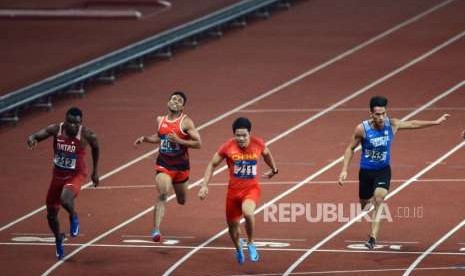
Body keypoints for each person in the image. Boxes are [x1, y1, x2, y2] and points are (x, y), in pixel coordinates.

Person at [338, 96, 450, 249]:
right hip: (366, 172)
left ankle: (372, 238)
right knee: (364, 206)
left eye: (383, 113)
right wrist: (344, 170)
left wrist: (435, 122)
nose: (381, 117)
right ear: (371, 113)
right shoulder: (362, 129)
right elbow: (350, 148)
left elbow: (412, 124)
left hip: (383, 171)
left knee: (379, 199)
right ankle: (370, 202)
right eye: (377, 114)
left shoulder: (392, 124)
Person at [198, 117, 278, 264]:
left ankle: (251, 243)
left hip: (251, 189)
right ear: (234, 134)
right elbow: (212, 164)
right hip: (233, 193)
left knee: (248, 213)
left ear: (250, 134)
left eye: (244, 135)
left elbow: (267, 154)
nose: (241, 138)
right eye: (238, 135)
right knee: (233, 228)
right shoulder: (228, 146)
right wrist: (204, 185)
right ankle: (238, 248)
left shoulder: (258, 143)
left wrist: (274, 169)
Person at [26, 107, 99, 259]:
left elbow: (96, 148)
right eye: (70, 122)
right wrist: (32, 139)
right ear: (65, 120)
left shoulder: (87, 135)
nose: (73, 126)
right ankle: (58, 238)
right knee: (51, 215)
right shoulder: (55, 129)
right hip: (58, 176)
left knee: (65, 200)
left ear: (81, 123)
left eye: (76, 123)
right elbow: (37, 136)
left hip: (76, 174)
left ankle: (73, 216)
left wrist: (95, 171)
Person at [134, 91, 201, 242]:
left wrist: (179, 140)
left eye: (179, 100)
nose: (175, 101)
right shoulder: (160, 119)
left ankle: (177, 192)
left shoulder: (186, 122)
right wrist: (145, 139)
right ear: (168, 102)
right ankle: (156, 230)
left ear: (182, 106)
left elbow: (198, 143)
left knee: (181, 200)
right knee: (163, 193)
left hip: (181, 167)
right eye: (173, 99)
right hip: (164, 164)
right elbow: (159, 137)